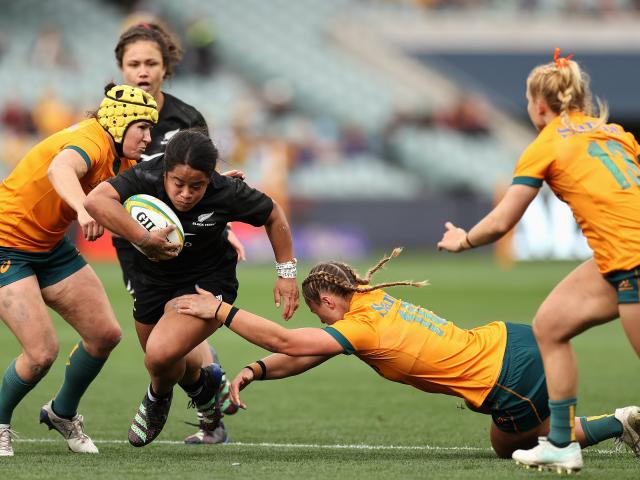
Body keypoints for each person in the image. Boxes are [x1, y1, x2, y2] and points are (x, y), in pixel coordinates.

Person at [171, 248, 640, 465]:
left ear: (329, 301)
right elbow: (309, 354)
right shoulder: (370, 300)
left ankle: (619, 422)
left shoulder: (361, 325)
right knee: (510, 444)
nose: (322, 323)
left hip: (506, 375)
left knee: (515, 448)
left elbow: (290, 343)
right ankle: (619, 422)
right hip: (510, 341)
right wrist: (255, 371)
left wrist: (220, 310)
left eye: (319, 313)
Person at [436, 48, 640, 472]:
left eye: (529, 102)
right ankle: (562, 443)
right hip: (617, 255)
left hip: (632, 258)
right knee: (550, 326)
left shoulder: (545, 144)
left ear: (540, 105)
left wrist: (463, 240)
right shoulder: (615, 133)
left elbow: (501, 222)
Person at [83, 129, 299, 448]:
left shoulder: (226, 191)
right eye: (178, 184)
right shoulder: (147, 175)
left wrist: (286, 273)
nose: (185, 194)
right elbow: (95, 200)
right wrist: (143, 239)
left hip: (207, 282)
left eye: (196, 186)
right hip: (152, 280)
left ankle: (156, 399)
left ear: (210, 179)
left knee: (159, 356)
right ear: (165, 171)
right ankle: (206, 391)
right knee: (169, 363)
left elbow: (273, 215)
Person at [0, 83, 158, 456]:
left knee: (104, 333)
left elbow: (156, 187)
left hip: (50, 247)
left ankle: (61, 413)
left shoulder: (125, 159)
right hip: (6, 243)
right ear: (119, 124)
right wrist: (84, 208)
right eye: (143, 128)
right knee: (40, 353)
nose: (149, 137)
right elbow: (60, 169)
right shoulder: (92, 140)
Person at [113, 22, 244, 443]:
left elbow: (206, 175)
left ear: (166, 67)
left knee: (167, 349)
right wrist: (88, 207)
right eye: (133, 64)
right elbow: (97, 173)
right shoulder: (110, 116)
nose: (142, 71)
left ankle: (194, 410)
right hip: (136, 243)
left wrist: (226, 227)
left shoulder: (186, 117)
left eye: (151, 62)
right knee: (162, 350)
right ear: (121, 68)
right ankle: (210, 389)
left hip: (193, 242)